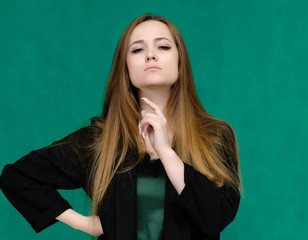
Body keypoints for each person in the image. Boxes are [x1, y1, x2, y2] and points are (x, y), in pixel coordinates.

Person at [0, 14, 244, 240]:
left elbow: (215, 218)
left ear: (181, 62)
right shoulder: (99, 140)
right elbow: (17, 176)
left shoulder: (215, 136)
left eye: (163, 46)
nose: (150, 55)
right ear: (125, 68)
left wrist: (167, 152)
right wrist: (85, 224)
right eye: (137, 49)